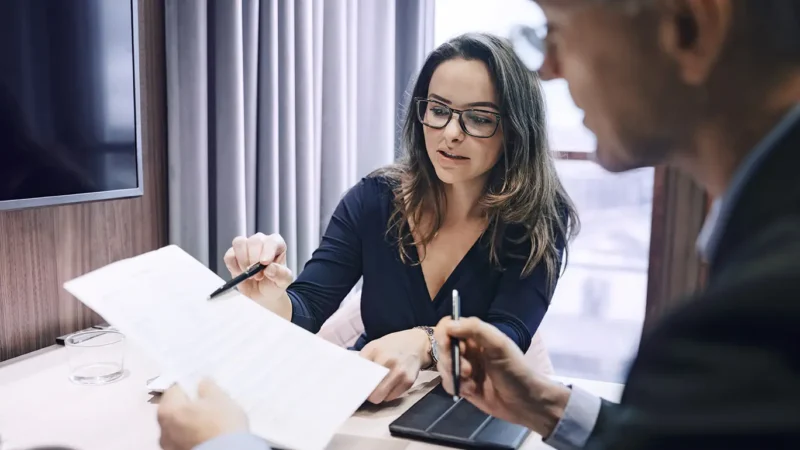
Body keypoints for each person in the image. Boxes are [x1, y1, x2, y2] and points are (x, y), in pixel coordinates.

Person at [155, 31, 578, 450]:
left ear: (515, 130)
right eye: (438, 110)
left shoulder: (538, 219)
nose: (451, 132)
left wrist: (426, 341)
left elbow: (509, 333)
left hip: (468, 421)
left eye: (479, 118)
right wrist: (272, 298)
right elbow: (308, 306)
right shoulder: (374, 200)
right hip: (371, 415)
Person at [432, 1, 800, 449]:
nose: (547, 69)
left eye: (558, 30)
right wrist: (543, 405)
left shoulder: (753, 322)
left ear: (690, 29)